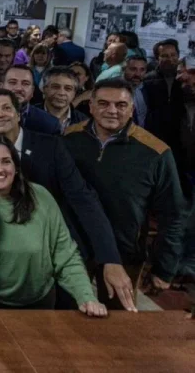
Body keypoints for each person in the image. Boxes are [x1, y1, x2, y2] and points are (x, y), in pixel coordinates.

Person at [0, 89, 133, 310]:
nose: (0, 114)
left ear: (19, 114)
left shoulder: (51, 147)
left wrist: (109, 257)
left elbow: (83, 200)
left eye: (7, 108)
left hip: (49, 256)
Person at [64, 78, 191, 309]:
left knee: (117, 322)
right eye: (103, 103)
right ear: (90, 106)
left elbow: (173, 214)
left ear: (131, 108)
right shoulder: (69, 139)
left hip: (124, 252)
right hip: (73, 248)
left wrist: (165, 266)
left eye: (120, 105)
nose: (112, 110)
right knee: (65, 315)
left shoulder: (155, 152)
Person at [0, 136, 107, 316]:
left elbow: (65, 254)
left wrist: (86, 296)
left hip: (39, 304)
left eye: (6, 161)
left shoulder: (41, 197)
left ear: (16, 168)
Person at [0, 65, 61, 136]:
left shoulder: (50, 124)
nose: (19, 88)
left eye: (25, 84)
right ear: (1, 87)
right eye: (12, 82)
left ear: (32, 91)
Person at [39, 66, 87, 132]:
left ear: (74, 93)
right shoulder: (28, 116)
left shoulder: (84, 122)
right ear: (44, 89)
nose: (61, 93)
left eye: (68, 88)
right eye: (55, 87)